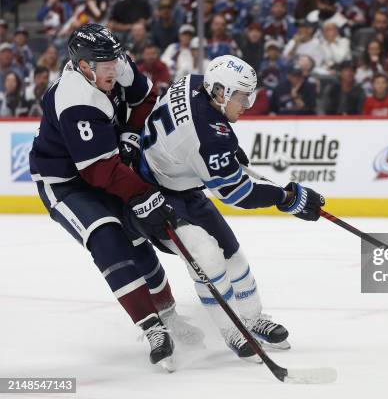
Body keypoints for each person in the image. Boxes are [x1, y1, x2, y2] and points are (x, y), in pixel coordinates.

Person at [28, 24, 202, 371]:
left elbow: (146, 100)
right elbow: (99, 171)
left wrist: (132, 135)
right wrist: (143, 193)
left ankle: (169, 315)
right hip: (65, 183)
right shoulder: (75, 99)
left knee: (137, 238)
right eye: (104, 63)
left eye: (115, 59)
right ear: (82, 66)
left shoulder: (116, 66)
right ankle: (152, 327)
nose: (114, 67)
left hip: (103, 169)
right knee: (107, 237)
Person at [136, 55, 325, 361]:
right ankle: (233, 331)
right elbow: (236, 193)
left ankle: (252, 319)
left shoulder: (196, 83)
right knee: (208, 259)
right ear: (221, 92)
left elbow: (188, 118)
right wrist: (286, 198)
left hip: (181, 182)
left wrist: (229, 149)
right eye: (242, 97)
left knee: (232, 253)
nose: (248, 104)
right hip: (158, 197)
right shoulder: (209, 136)